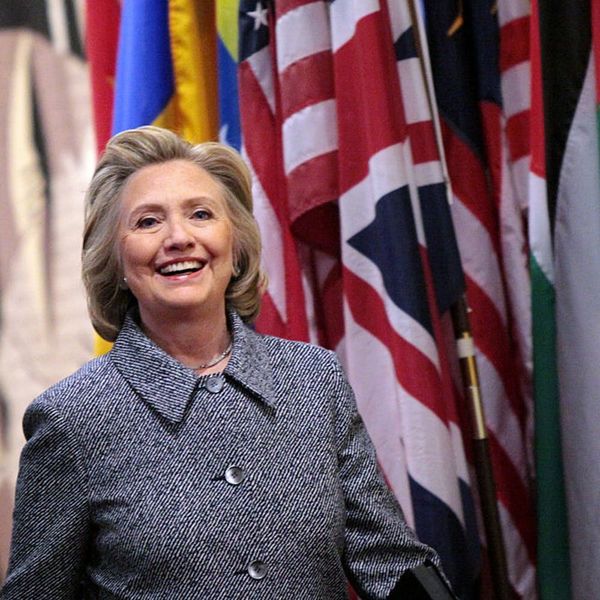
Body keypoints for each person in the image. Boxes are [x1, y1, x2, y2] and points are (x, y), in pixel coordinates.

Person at [1, 126, 444, 599]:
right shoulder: (72, 419)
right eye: (148, 222)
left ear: (235, 247)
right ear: (116, 261)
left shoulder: (315, 380)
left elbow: (389, 562)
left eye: (201, 214)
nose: (179, 238)